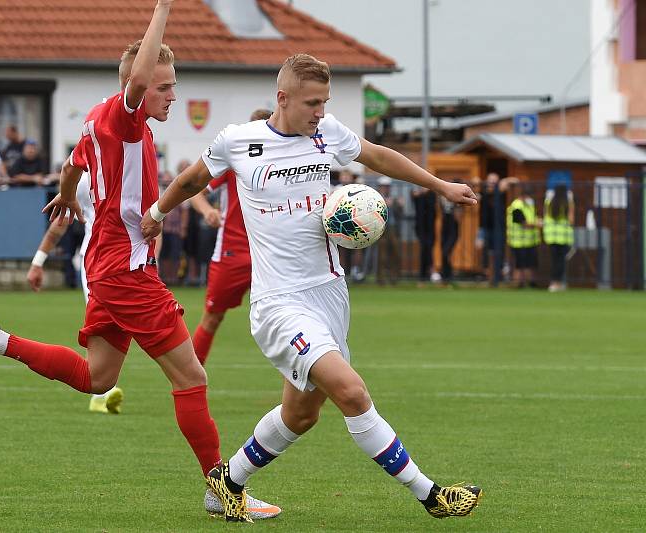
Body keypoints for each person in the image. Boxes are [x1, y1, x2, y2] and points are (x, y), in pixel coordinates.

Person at [0, 1, 277, 520]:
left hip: (105, 267)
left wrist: (67, 194)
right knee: (191, 379)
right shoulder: (123, 119)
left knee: (98, 379)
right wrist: (164, 7)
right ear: (137, 86)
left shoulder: (102, 119)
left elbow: (73, 162)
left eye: (173, 84)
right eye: (165, 87)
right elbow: (136, 81)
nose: (172, 94)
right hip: (124, 270)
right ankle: (222, 492)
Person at [141, 53, 482, 522]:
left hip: (330, 294)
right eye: (311, 103)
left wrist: (438, 184)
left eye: (324, 101)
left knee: (301, 415)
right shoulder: (239, 141)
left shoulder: (328, 133)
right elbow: (191, 180)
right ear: (282, 99)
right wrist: (157, 215)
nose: (320, 111)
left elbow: (378, 155)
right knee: (353, 393)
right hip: (280, 305)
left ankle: (227, 482)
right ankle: (431, 495)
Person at [27, 172, 124, 414]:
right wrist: (38, 261)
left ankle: (103, 388)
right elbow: (60, 221)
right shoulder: (84, 177)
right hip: (97, 263)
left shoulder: (135, 163)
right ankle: (101, 393)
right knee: (101, 327)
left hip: (132, 263)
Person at [188, 108, 271, 366]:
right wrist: (208, 211)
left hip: (271, 255)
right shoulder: (234, 160)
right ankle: (187, 377)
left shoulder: (286, 163)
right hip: (232, 253)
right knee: (212, 317)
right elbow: (194, 193)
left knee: (286, 322)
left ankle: (297, 393)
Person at [506, 181, 541, 288]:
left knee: (530, 263)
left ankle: (530, 282)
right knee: (520, 264)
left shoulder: (529, 205)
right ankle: (519, 283)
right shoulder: (517, 206)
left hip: (530, 240)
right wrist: (537, 224)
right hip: (518, 241)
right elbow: (523, 223)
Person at [157, 170, 188, 285]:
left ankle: (174, 277)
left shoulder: (178, 192)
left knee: (175, 254)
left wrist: (183, 228)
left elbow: (185, 211)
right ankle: (164, 277)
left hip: (176, 229)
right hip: (163, 230)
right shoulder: (159, 191)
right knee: (163, 254)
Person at [543, 184, 574, 292]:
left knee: (554, 259)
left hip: (551, 235)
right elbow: (571, 220)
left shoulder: (549, 202)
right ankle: (558, 283)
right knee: (560, 260)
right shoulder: (567, 203)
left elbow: (545, 217)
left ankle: (553, 283)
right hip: (563, 236)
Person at [374, 176, 402, 284]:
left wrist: (398, 205)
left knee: (395, 253)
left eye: (387, 187)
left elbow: (400, 214)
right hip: (380, 229)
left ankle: (394, 278)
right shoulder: (375, 199)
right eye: (383, 187)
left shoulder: (393, 199)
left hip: (393, 228)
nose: (385, 189)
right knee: (382, 255)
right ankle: (380, 279)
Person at [412, 187, 437, 285]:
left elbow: (432, 205)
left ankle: (427, 273)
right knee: (424, 249)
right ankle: (427, 273)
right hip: (421, 228)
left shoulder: (432, 195)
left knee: (428, 248)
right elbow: (414, 197)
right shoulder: (418, 195)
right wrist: (421, 193)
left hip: (430, 228)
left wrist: (426, 193)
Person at [439, 183, 462, 284]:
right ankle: (446, 275)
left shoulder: (456, 202)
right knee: (443, 253)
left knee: (445, 252)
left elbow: (459, 217)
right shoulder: (442, 200)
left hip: (453, 231)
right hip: (445, 230)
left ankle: (448, 275)